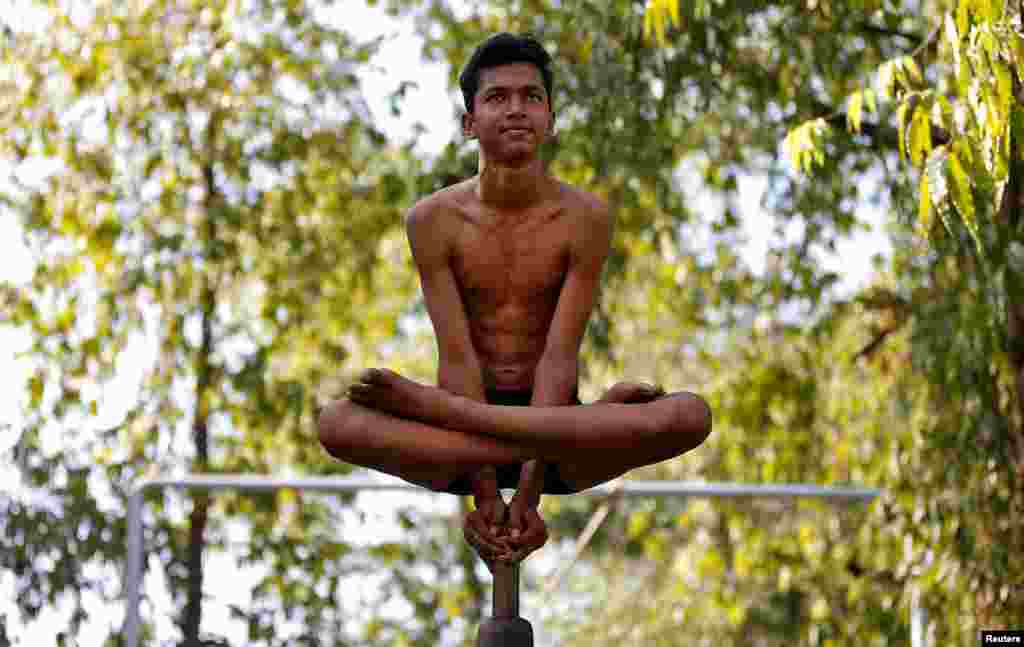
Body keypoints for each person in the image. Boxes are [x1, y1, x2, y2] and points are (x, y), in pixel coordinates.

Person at [317, 33, 712, 567]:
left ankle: (458, 415)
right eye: (497, 97)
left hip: (552, 442)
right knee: (335, 424)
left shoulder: (586, 219)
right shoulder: (431, 221)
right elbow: (456, 355)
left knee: (690, 415)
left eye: (532, 97)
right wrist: (485, 495)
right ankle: (541, 429)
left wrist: (527, 494)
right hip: (466, 443)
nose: (516, 109)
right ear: (469, 122)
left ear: (551, 118)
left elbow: (558, 356)